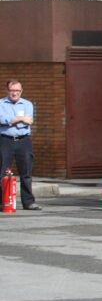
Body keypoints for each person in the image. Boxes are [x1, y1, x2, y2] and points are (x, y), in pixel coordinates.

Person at [0, 79, 40, 210]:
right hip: (5, 140)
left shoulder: (27, 104)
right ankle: (2, 202)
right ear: (7, 91)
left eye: (17, 90)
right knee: (2, 173)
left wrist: (12, 120)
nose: (14, 93)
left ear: (21, 91)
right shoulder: (1, 104)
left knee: (26, 173)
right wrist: (19, 119)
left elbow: (29, 121)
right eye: (12, 90)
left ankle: (28, 202)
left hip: (24, 141)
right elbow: (2, 120)